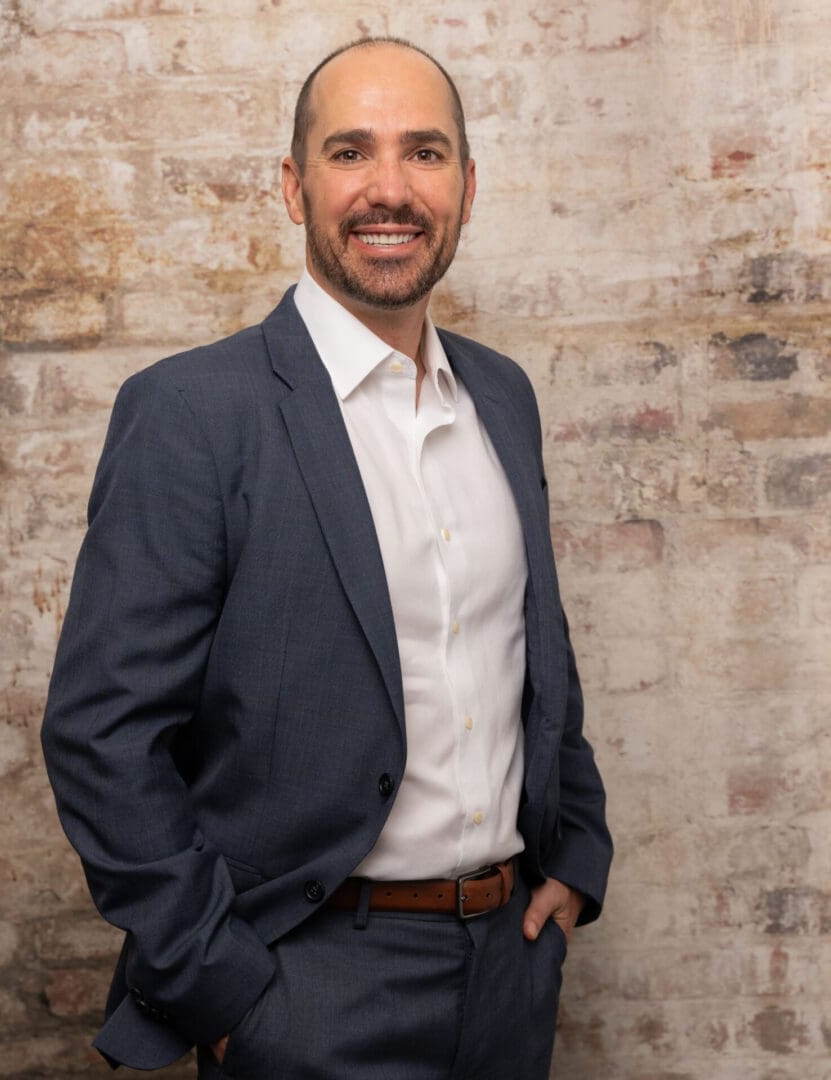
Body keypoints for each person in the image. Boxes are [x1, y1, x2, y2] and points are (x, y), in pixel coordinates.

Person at [41, 36, 612, 1080]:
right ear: (294, 185)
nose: (388, 190)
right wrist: (222, 990)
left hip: (509, 973)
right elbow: (101, 736)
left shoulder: (503, 398)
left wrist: (575, 858)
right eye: (350, 152)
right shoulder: (193, 414)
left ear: (467, 187)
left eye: (425, 154)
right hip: (301, 991)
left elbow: (537, 654)